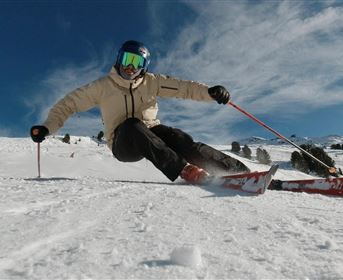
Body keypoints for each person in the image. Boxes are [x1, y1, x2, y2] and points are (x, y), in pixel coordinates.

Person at [30, 40, 250, 184]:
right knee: (132, 124)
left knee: (179, 138)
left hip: (151, 132)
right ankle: (185, 171)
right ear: (119, 59)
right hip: (122, 142)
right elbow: (68, 104)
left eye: (137, 62)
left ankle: (240, 173)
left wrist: (209, 92)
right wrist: (47, 127)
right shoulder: (103, 86)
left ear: (144, 66)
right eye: (127, 59)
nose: (130, 67)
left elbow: (184, 88)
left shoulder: (152, 82)